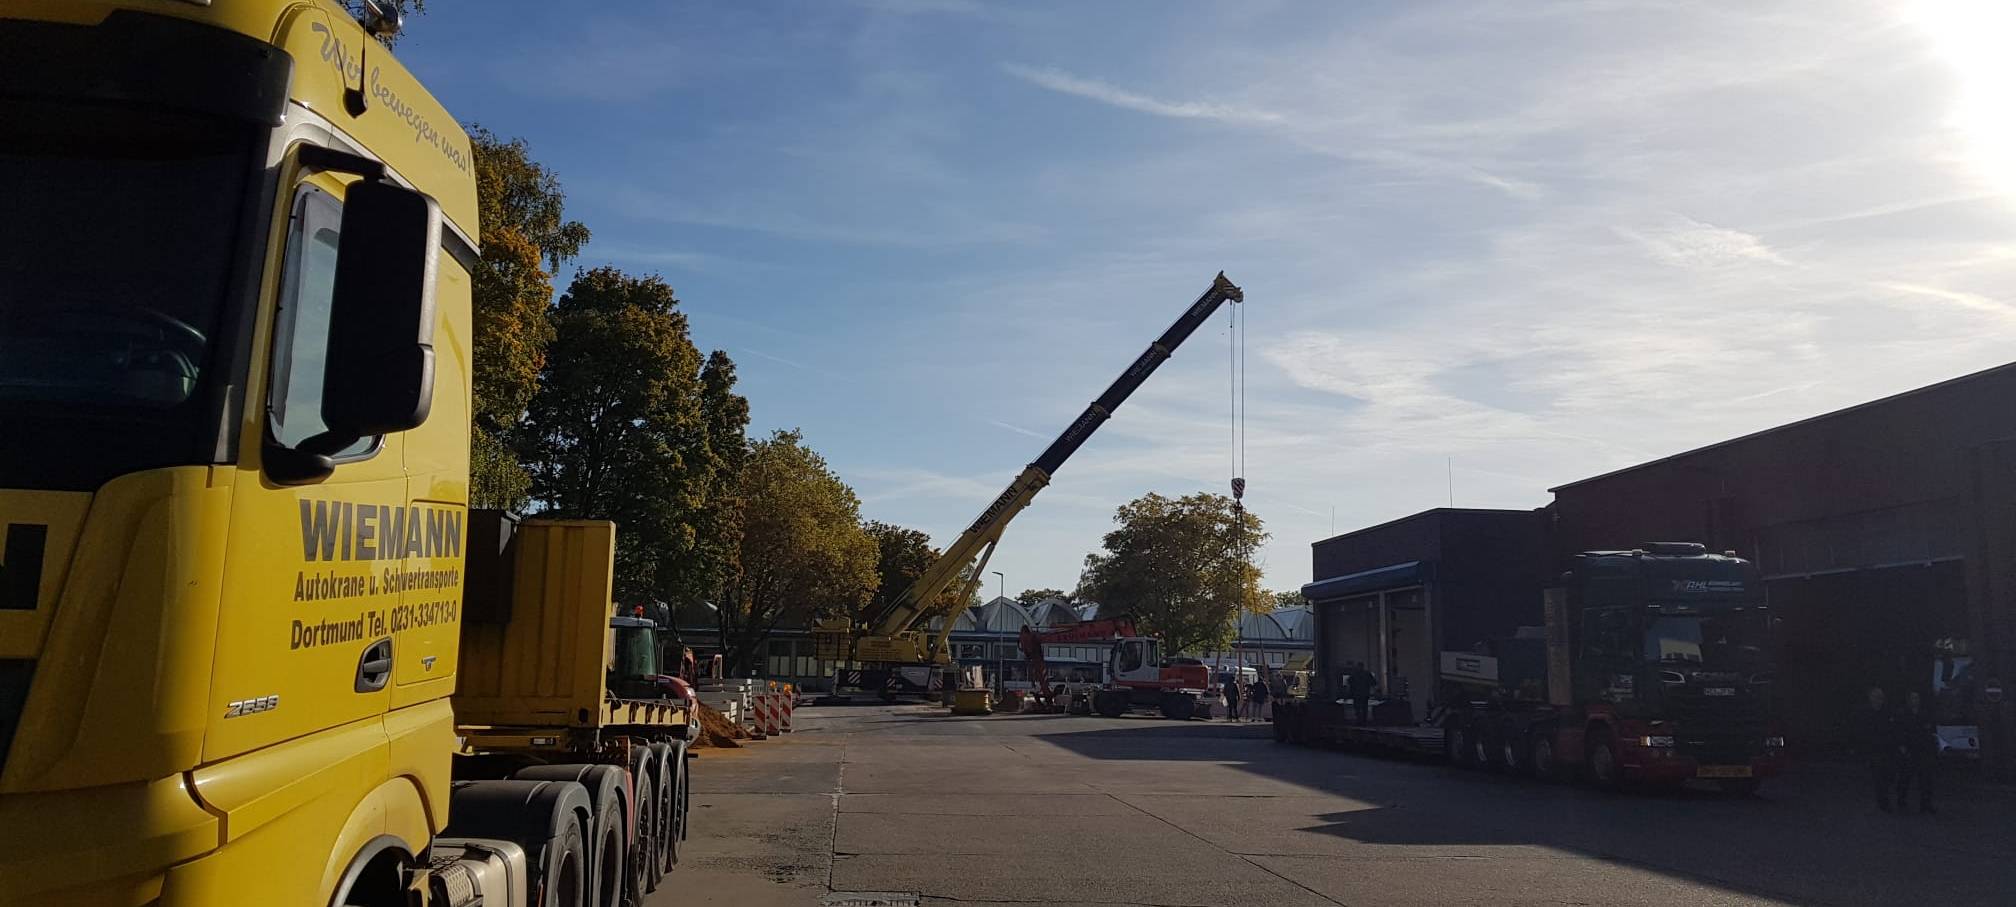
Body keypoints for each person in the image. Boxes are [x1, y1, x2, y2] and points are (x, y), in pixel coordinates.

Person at [1855, 686, 1897, 812]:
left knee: (1889, 775)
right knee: (1879, 777)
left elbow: (1893, 729)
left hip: (1888, 749)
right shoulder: (1864, 713)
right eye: (1876, 696)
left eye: (1881, 697)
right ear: (1870, 697)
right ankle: (1883, 802)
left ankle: (1884, 799)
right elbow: (1861, 732)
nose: (1879, 699)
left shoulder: (1888, 712)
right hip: (1874, 749)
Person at [1895, 690, 1938, 814]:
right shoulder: (1902, 714)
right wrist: (1902, 746)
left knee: (1925, 779)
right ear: (1908, 700)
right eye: (1913, 698)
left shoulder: (1924, 714)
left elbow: (1928, 731)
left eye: (1917, 698)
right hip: (1909, 750)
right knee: (1905, 777)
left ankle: (1926, 804)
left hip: (1922, 751)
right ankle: (1901, 800)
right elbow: (1899, 731)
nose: (1916, 700)